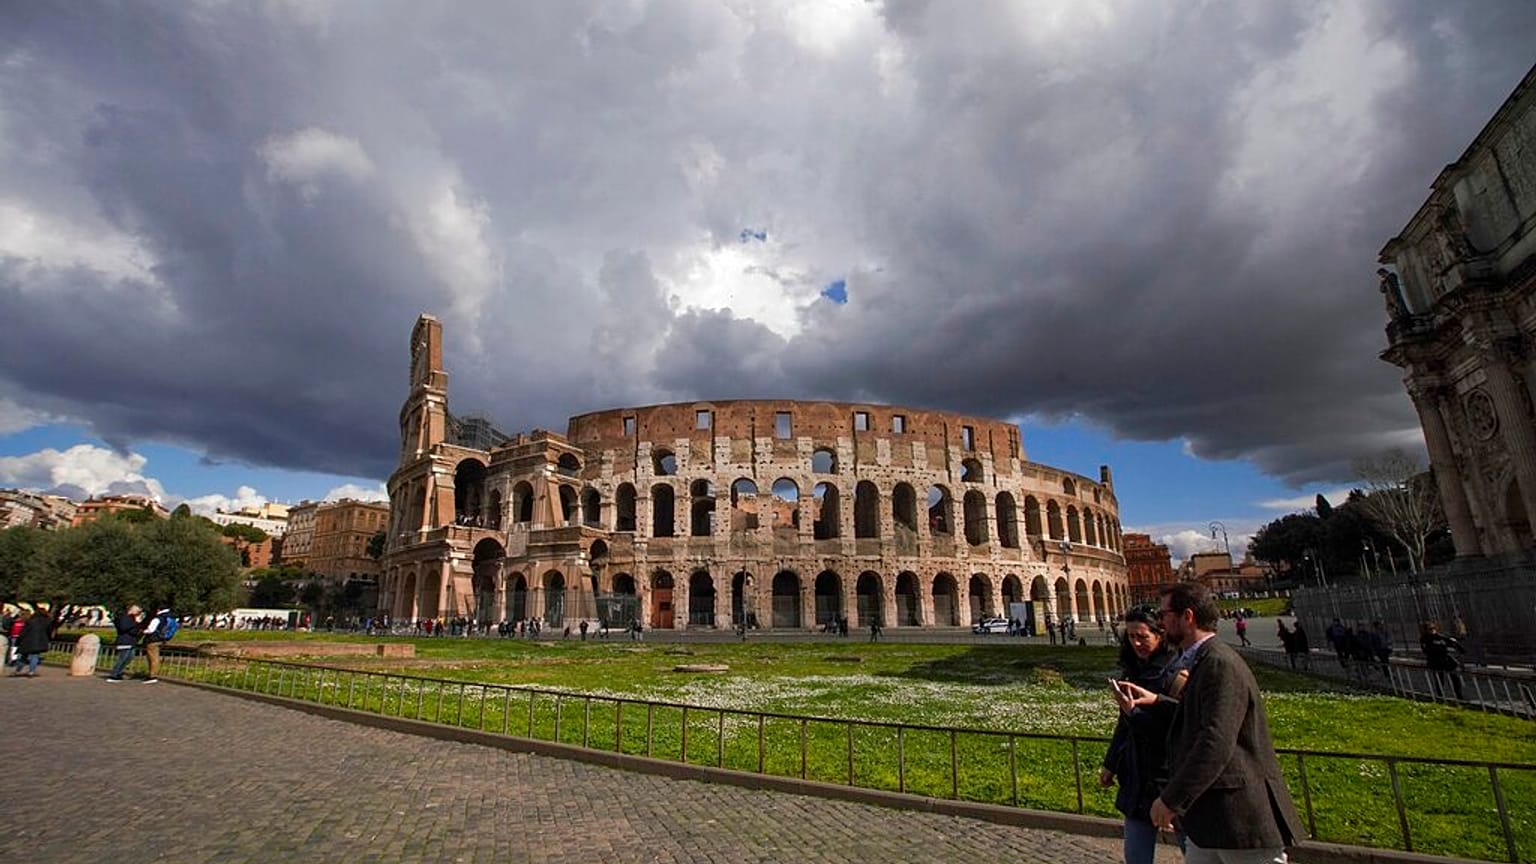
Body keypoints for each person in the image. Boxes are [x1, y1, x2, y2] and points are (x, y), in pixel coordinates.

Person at [1123, 582, 1305, 863]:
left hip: (1239, 818)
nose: (1161, 621)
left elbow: (1215, 741)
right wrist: (1157, 700)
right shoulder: (1204, 660)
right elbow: (1201, 719)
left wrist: (1172, 799)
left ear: (1188, 616)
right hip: (1211, 819)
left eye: (1165, 614)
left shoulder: (1219, 663)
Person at [1102, 607, 1186, 864]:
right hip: (1137, 777)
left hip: (1171, 779)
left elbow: (1179, 732)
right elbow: (1124, 723)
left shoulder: (1178, 676)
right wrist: (1110, 763)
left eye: (1142, 636)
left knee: (1195, 852)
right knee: (1136, 857)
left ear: (1160, 635)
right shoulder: (1133, 671)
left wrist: (1134, 713)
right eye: (1130, 637)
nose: (1136, 643)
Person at [1420, 620, 1465, 700]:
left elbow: (1450, 643)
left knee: (1455, 677)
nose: (1433, 630)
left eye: (1434, 628)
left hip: (1445, 660)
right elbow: (1427, 650)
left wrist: (1457, 646)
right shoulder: (1425, 639)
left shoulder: (1440, 637)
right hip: (1435, 661)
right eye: (1430, 629)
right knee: (1439, 680)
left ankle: (1459, 696)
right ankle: (1440, 696)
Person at [105, 604, 144, 681]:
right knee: (122, 658)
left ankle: (118, 672)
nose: (138, 613)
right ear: (132, 610)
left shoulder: (132, 619)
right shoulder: (124, 618)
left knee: (129, 658)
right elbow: (124, 628)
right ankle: (114, 674)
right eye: (137, 611)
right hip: (124, 641)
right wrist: (136, 624)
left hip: (131, 641)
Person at [10, 607, 52, 677]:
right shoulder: (47, 621)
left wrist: (19, 640)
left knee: (23, 657)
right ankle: (31, 671)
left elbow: (24, 632)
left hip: (27, 641)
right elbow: (49, 632)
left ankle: (17, 670)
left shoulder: (31, 621)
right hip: (40, 641)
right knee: (35, 656)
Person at [140, 606, 173, 683]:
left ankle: (152, 676)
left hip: (153, 639)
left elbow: (151, 630)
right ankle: (153, 674)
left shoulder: (158, 618)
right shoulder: (169, 617)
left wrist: (143, 631)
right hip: (161, 639)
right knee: (156, 657)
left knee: (152, 658)